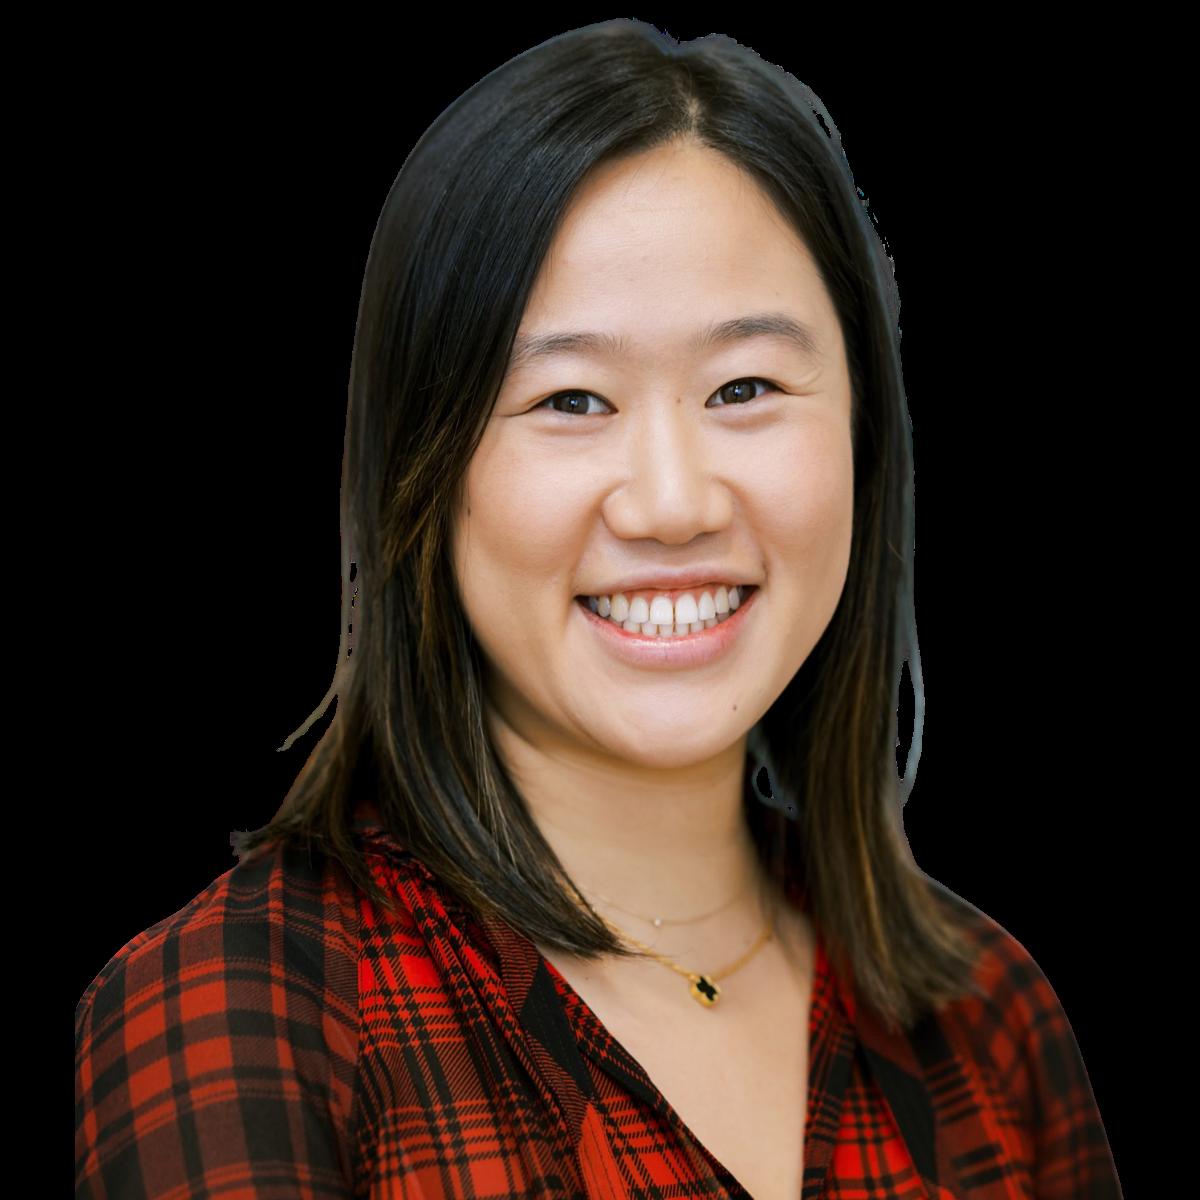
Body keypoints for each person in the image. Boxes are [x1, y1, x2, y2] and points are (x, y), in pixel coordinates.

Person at [75, 20, 1122, 1199]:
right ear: (420, 471)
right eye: (571, 398)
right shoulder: (254, 1006)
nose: (673, 503)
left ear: (865, 439)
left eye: (745, 387)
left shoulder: (988, 1021)